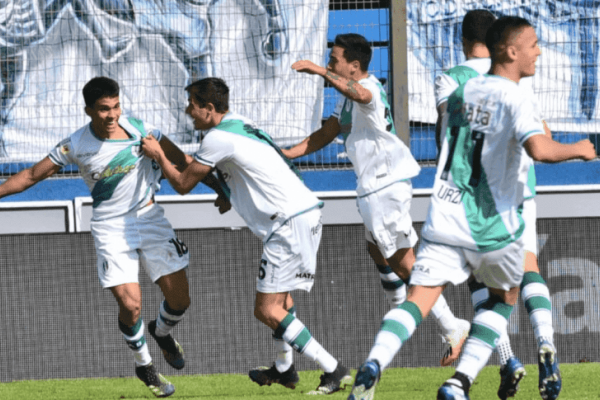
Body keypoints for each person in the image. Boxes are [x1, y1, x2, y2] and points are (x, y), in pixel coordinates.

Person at [348, 16, 596, 400]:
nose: (539, 51)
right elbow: (540, 147)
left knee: (421, 298)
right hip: (496, 210)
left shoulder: (458, 88)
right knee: (509, 292)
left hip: (447, 208)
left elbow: (448, 131)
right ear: (509, 50)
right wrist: (579, 149)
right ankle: (472, 375)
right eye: (533, 44)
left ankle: (375, 363)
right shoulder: (518, 96)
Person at [141, 77, 353, 395]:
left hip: (287, 222)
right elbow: (256, 165)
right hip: (303, 212)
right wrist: (228, 192)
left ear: (209, 108)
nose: (188, 111)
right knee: (282, 301)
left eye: (193, 105)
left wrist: (158, 154)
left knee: (267, 309)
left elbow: (183, 183)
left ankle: (334, 369)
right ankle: (284, 369)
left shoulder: (216, 139)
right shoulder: (241, 123)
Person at [0, 76, 196, 398]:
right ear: (89, 110)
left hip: (150, 219)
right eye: (104, 109)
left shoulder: (141, 131)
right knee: (130, 304)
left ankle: (161, 333)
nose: (112, 115)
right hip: (109, 226)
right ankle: (144, 365)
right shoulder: (75, 144)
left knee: (180, 300)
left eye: (116, 106)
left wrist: (222, 190)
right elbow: (32, 175)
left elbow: (185, 163)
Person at [282, 32, 470, 366]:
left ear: (354, 67)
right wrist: (287, 154)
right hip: (374, 186)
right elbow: (328, 132)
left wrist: (318, 71)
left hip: (385, 185)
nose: (330, 62)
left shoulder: (368, 88)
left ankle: (451, 325)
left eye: (335, 58)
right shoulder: (346, 98)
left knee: (402, 260)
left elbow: (362, 93)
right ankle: (402, 301)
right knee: (377, 248)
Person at [435, 10, 562, 400]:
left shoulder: (451, 78)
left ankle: (507, 359)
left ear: (462, 39)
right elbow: (544, 135)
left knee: (482, 280)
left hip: (474, 191)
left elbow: (449, 132)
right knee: (528, 266)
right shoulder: (514, 79)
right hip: (522, 186)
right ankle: (546, 341)